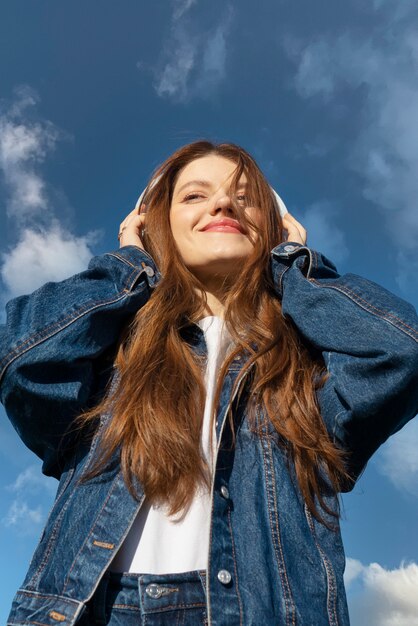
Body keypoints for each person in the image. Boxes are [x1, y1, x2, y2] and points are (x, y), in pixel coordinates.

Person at [1, 140, 417, 626]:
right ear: (159, 225)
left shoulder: (305, 374)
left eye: (246, 198)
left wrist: (293, 262)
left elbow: (401, 350)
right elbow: (21, 357)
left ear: (275, 228)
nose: (224, 204)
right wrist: (131, 260)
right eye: (195, 196)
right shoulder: (110, 360)